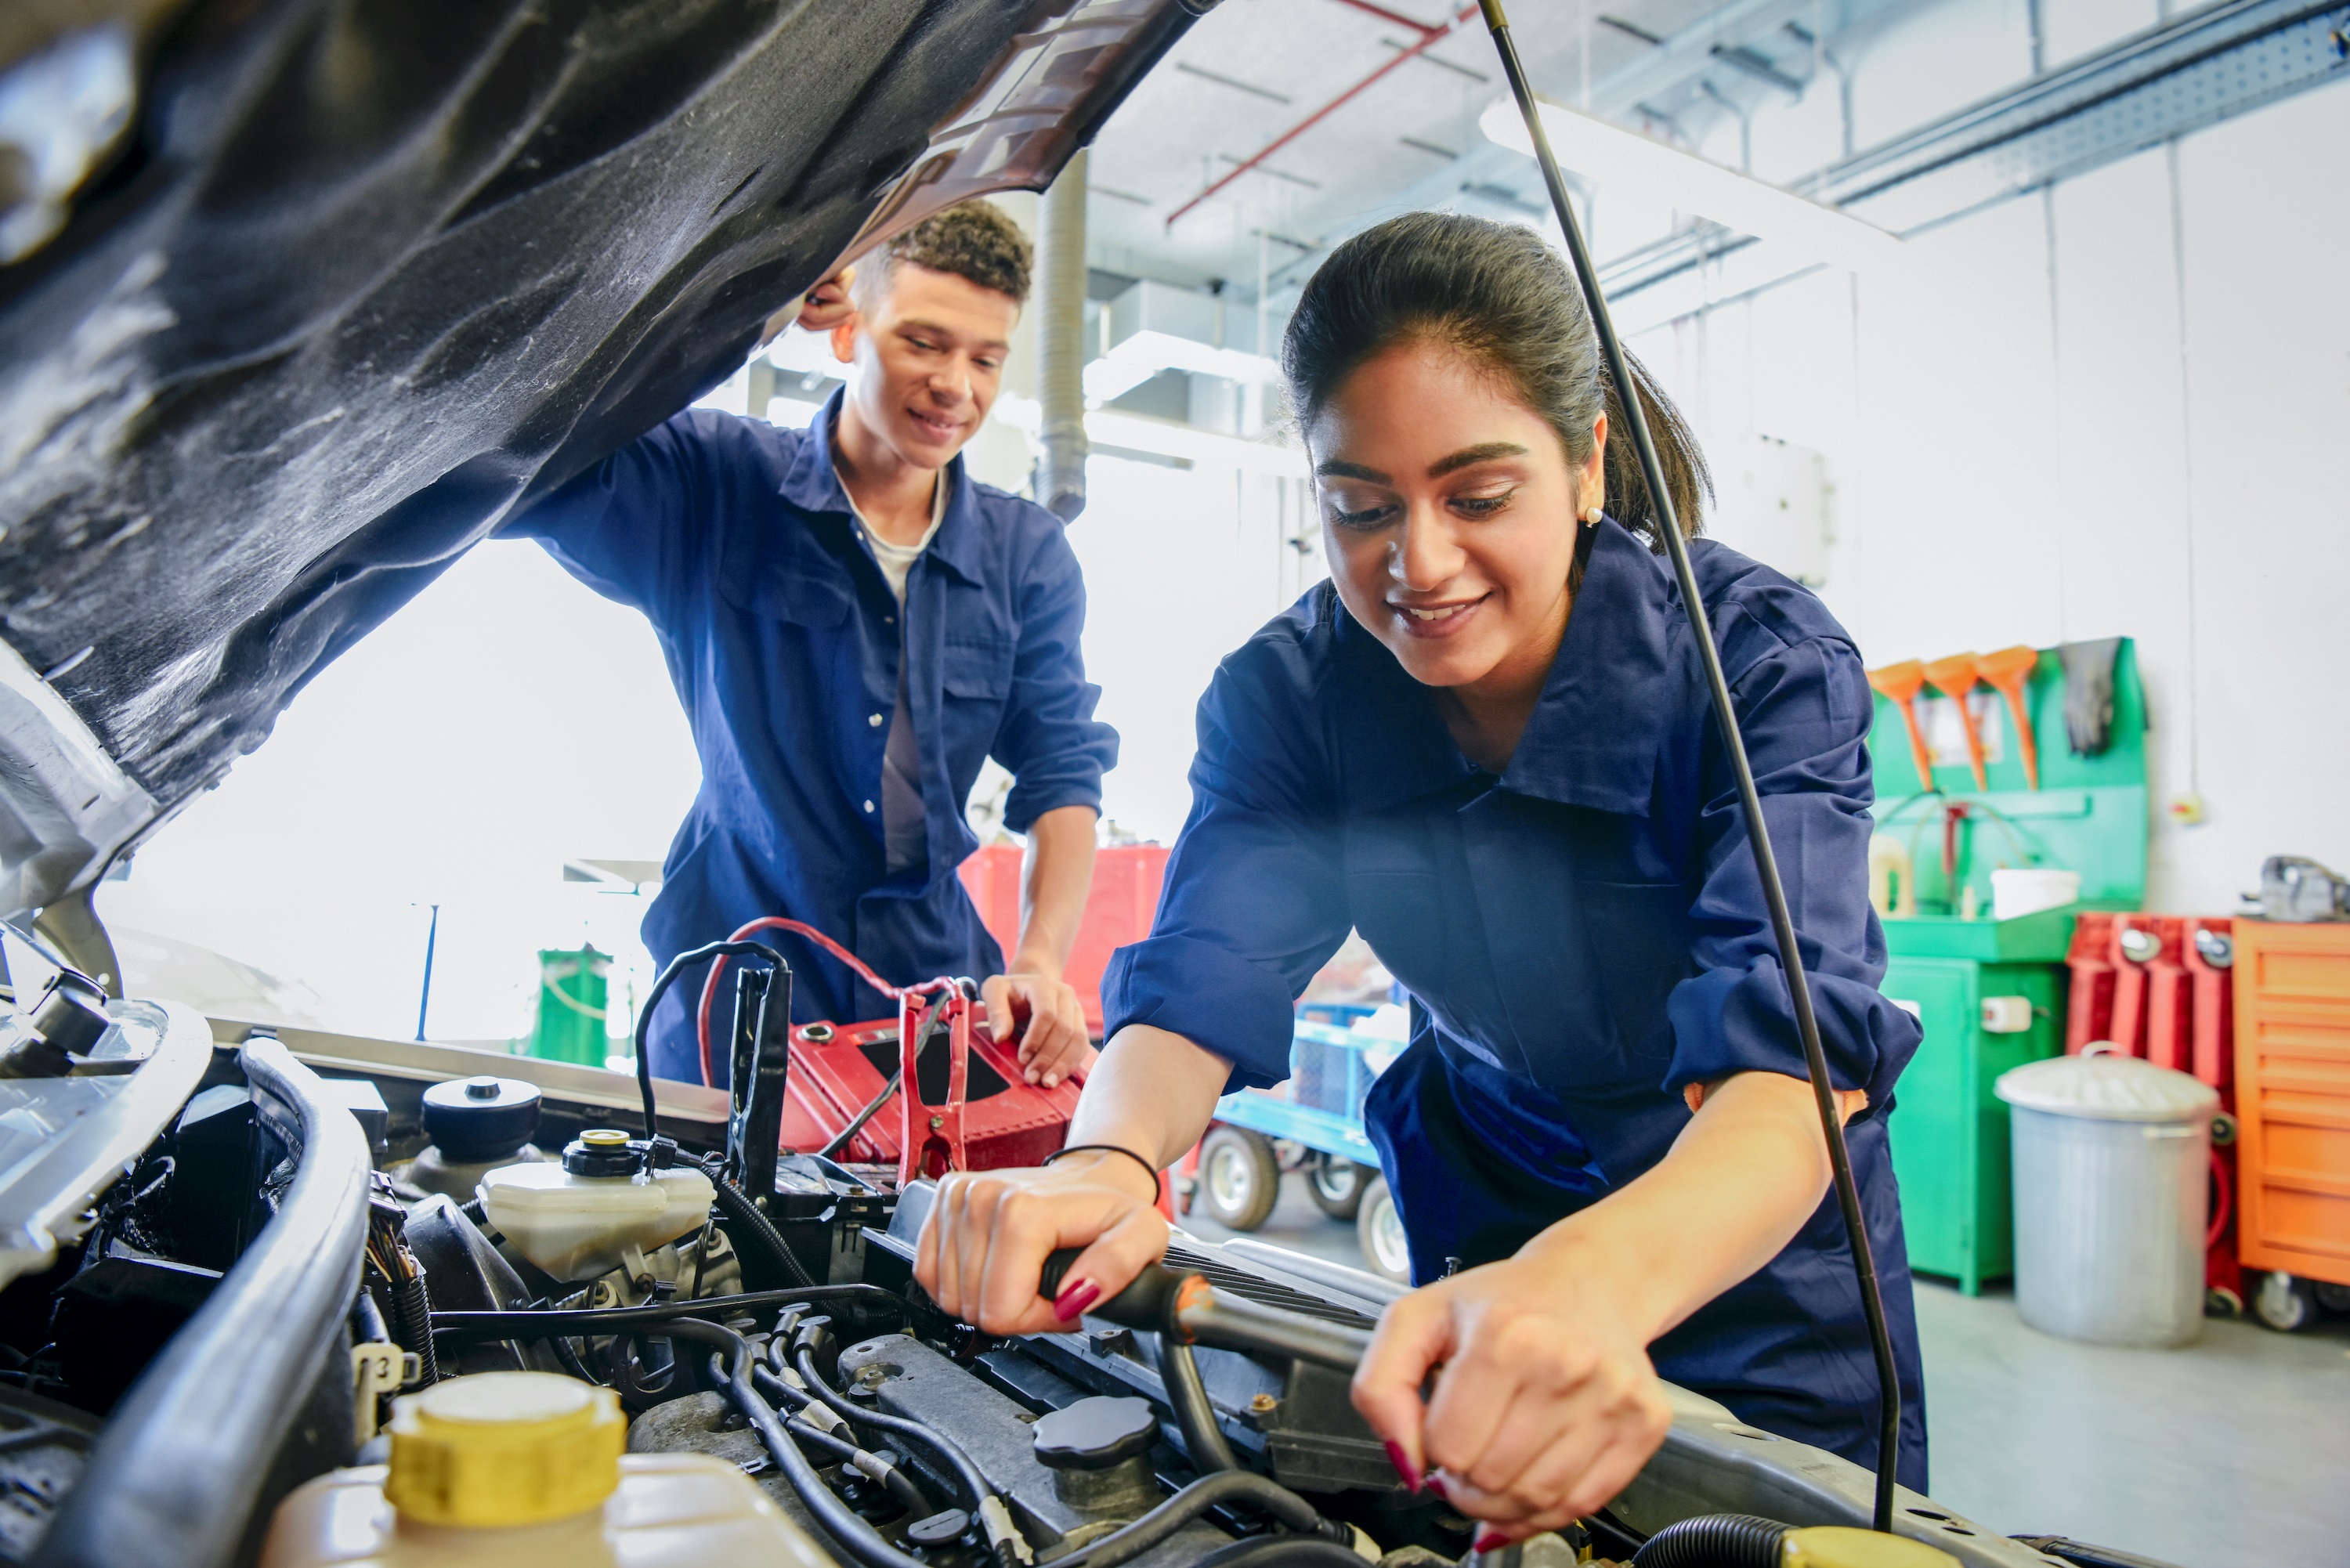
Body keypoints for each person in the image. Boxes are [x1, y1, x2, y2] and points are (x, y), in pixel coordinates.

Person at [912, 211, 1927, 1545]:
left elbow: (1791, 1065)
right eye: (1361, 507)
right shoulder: (1293, 696)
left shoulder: (1760, 668)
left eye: (1480, 495)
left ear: (1585, 463)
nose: (1421, 564)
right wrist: (1102, 1159)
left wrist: (1590, 1281)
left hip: (1754, 1258)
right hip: (1486, 1221)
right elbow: (1201, 978)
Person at [506, 203, 1116, 1089]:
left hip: (931, 1005)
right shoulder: (714, 484)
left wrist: (1039, 961)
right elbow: (537, 449)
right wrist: (743, 311)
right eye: (923, 341)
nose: (958, 385)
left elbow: (1063, 771)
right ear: (844, 332)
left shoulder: (1026, 558)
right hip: (735, 1001)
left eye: (986, 359)